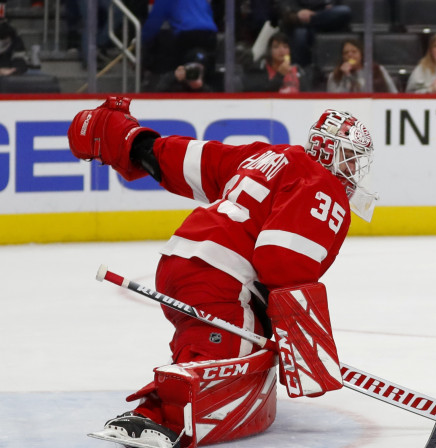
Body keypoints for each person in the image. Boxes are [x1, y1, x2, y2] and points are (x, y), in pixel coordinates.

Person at [66, 97, 377, 447]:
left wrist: (130, 140)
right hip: (221, 278)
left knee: (238, 336)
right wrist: (300, 335)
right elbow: (281, 260)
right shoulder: (323, 186)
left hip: (180, 259)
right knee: (226, 357)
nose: (352, 171)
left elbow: (185, 159)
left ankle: (185, 370)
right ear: (332, 152)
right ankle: (155, 415)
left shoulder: (266, 156)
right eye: (351, 158)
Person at [141, 0, 218, 74]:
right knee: (205, 67)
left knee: (177, 68)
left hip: (187, 34)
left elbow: (154, 21)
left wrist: (141, 40)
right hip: (210, 33)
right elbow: (209, 12)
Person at [277, 0, 352, 67]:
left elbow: (338, 3)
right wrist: (298, 12)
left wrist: (331, 5)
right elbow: (285, 5)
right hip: (298, 21)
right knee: (300, 35)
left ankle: (311, 20)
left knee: (344, 11)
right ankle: (301, 74)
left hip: (325, 16)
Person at [327, 38, 398, 93]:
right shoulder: (335, 75)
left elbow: (393, 93)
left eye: (354, 52)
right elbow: (333, 99)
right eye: (346, 53)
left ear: (361, 54)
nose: (350, 55)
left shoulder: (377, 70)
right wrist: (346, 76)